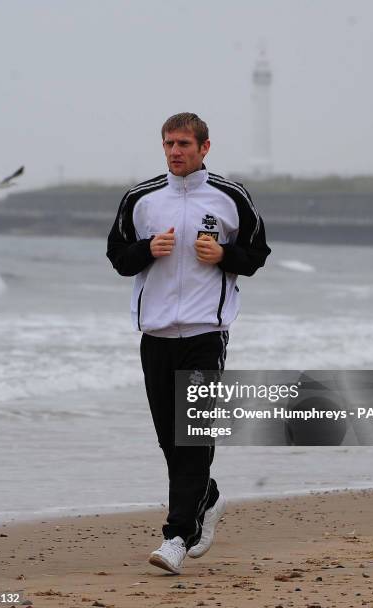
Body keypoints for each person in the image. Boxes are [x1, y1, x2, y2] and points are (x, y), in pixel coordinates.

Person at [107, 112, 270, 574]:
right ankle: (210, 498)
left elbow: (257, 255)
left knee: (192, 438)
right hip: (155, 335)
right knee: (170, 442)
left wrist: (224, 255)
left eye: (183, 144)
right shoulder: (140, 199)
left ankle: (176, 536)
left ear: (204, 147)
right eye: (168, 144)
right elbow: (117, 257)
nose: (175, 151)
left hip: (205, 333)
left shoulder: (230, 196)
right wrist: (145, 251)